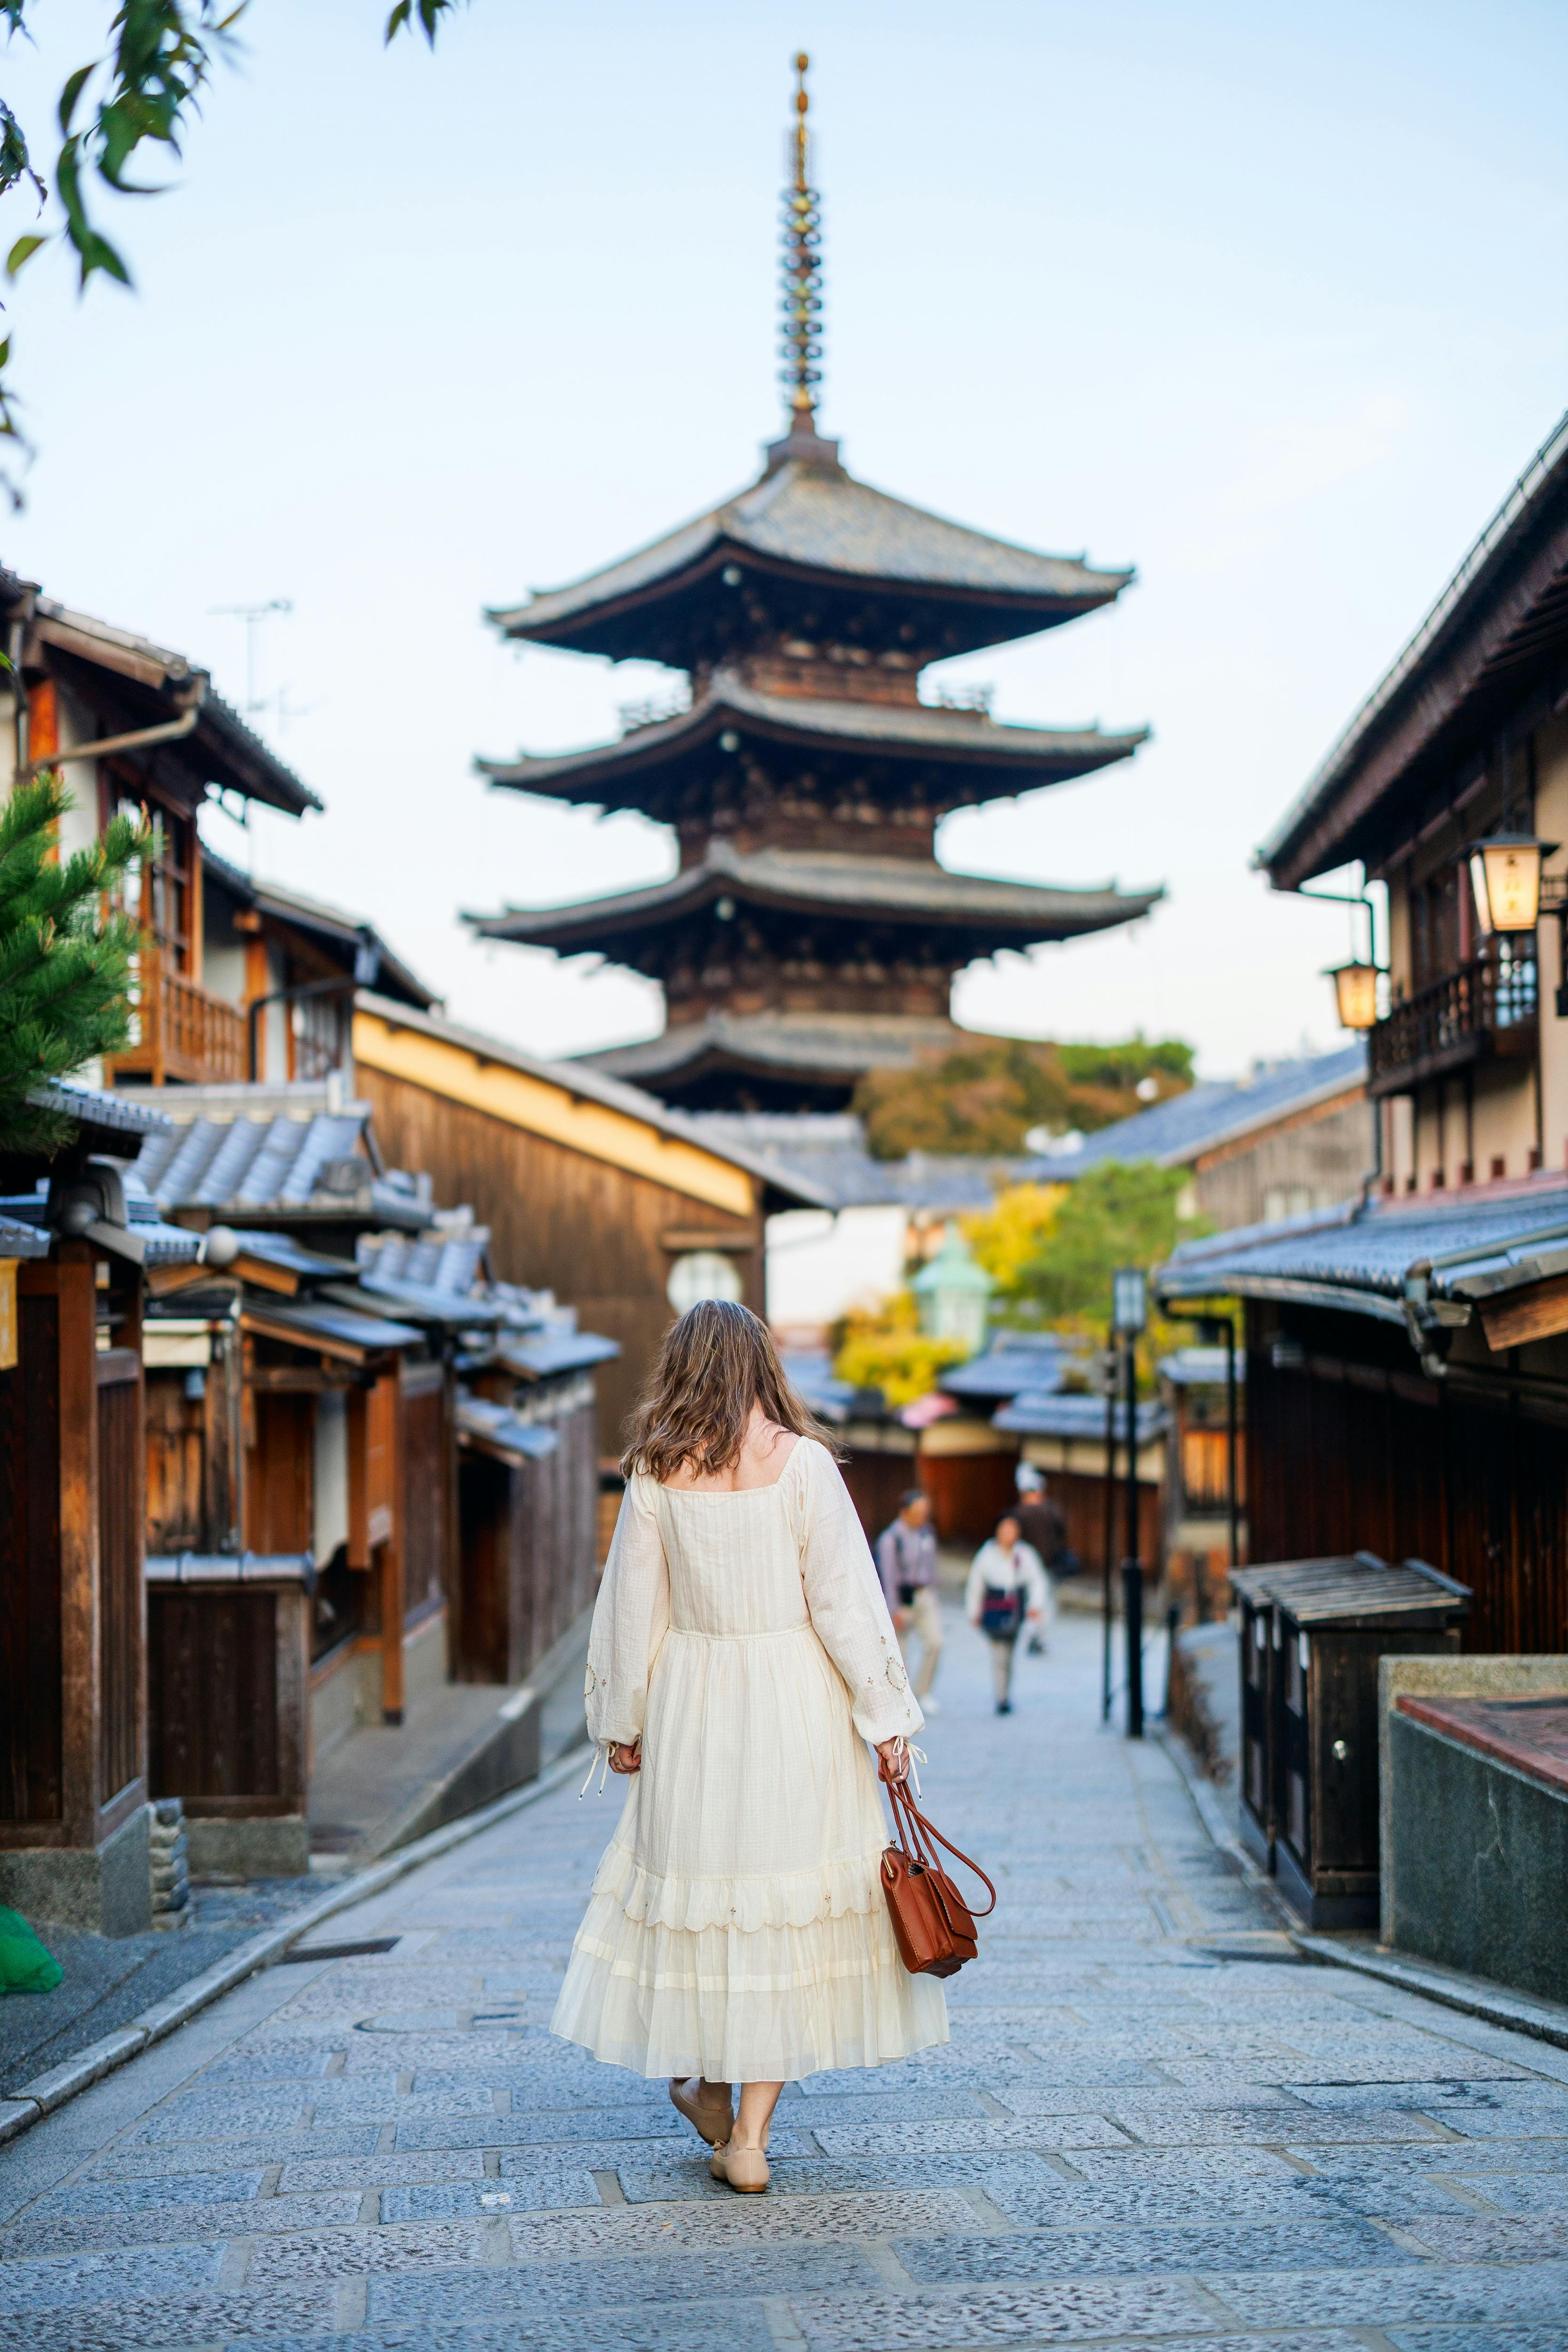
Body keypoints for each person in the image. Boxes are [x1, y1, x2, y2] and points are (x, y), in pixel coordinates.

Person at [551, 1299, 947, 2195]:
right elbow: (846, 1601)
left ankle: (701, 2086)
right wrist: (885, 1722)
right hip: (795, 1701)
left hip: (695, 1698)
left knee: (709, 1895)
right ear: (762, 1364)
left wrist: (623, 1720)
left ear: (682, 1367)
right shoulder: (803, 1465)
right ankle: (751, 2139)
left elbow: (630, 1606)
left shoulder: (654, 1473)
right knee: (780, 1905)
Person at [965, 1512, 1050, 1714]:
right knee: (999, 1655)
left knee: (1009, 1654)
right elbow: (976, 1584)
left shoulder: (1025, 1554)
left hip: (1015, 1607)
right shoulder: (987, 1554)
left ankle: (1005, 1692)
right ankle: (1001, 1696)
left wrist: (1035, 1605)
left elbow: (1037, 1580)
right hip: (994, 1606)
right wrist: (974, 1611)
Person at [875, 1487, 943, 1712]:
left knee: (935, 1643)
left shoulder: (927, 1533)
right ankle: (902, 1697)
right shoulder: (891, 1539)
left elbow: (932, 1565)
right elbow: (888, 1576)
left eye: (926, 1511)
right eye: (919, 1511)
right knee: (900, 1653)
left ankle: (923, 1692)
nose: (924, 1516)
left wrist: (934, 1593)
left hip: (924, 1595)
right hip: (902, 1600)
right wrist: (893, 1610)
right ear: (905, 1512)